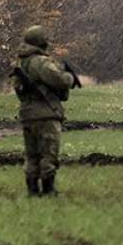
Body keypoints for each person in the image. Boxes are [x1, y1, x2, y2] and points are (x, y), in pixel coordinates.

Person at [11, 25, 79, 196]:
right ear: (42, 42)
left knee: (31, 155)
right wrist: (70, 78)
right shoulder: (40, 61)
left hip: (27, 113)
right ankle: (49, 190)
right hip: (45, 113)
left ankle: (32, 190)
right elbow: (59, 80)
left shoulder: (21, 62)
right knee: (49, 153)